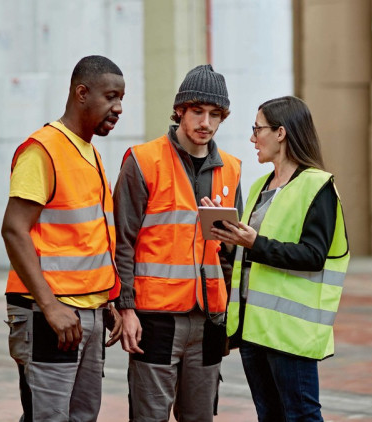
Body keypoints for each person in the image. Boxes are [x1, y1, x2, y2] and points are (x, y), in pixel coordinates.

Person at [113, 64, 242, 421]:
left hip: (209, 320)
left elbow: (229, 253)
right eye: (198, 111)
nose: (206, 123)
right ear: (180, 110)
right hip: (154, 317)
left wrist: (228, 317)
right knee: (149, 416)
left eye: (215, 115)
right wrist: (125, 308)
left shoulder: (230, 169)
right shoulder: (143, 161)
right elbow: (122, 242)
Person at [0, 55, 125, 422]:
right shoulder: (44, 150)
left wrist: (107, 299)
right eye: (111, 96)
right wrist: (51, 306)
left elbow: (87, 239)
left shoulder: (90, 153)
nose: (118, 108)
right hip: (50, 314)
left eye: (122, 99)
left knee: (82, 416)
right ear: (81, 93)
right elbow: (13, 229)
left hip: (88, 310)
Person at [211, 95, 350, 421]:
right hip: (253, 329)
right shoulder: (261, 185)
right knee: (269, 415)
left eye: (257, 129)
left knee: (301, 415)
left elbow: (314, 256)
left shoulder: (318, 186)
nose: (252, 138)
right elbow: (253, 252)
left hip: (290, 332)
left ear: (281, 133)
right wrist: (228, 238)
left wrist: (256, 243)